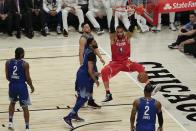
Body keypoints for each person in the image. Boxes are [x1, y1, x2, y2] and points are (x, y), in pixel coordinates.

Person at [101, 12, 149, 102]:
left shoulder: (127, 37)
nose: (119, 34)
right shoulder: (113, 38)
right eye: (118, 32)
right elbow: (111, 28)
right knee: (104, 71)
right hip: (115, 63)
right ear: (116, 33)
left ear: (123, 32)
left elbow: (132, 26)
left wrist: (133, 14)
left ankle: (149, 86)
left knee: (140, 67)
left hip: (126, 62)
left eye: (121, 32)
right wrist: (113, 14)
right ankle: (108, 93)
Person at [63, 38, 100, 129]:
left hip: (81, 73)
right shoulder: (91, 54)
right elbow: (90, 70)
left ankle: (75, 114)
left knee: (80, 97)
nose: (96, 42)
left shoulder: (87, 50)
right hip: (84, 77)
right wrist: (96, 79)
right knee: (84, 98)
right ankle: (68, 117)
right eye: (94, 41)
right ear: (91, 44)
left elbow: (87, 67)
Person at [5, 47, 35, 131]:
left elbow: (7, 77)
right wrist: (32, 87)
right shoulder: (25, 64)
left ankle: (10, 123)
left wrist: (14, 80)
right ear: (21, 54)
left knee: (12, 103)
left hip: (12, 85)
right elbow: (28, 78)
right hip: (21, 87)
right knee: (25, 107)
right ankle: (27, 128)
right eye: (24, 53)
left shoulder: (8, 62)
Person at [79, 22, 105, 108]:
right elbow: (81, 52)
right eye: (85, 27)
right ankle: (85, 99)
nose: (87, 28)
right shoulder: (83, 39)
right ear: (82, 29)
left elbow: (96, 48)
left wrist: (101, 58)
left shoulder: (91, 36)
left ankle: (87, 99)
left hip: (92, 61)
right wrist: (82, 64)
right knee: (88, 80)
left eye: (88, 27)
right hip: (87, 62)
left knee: (92, 80)